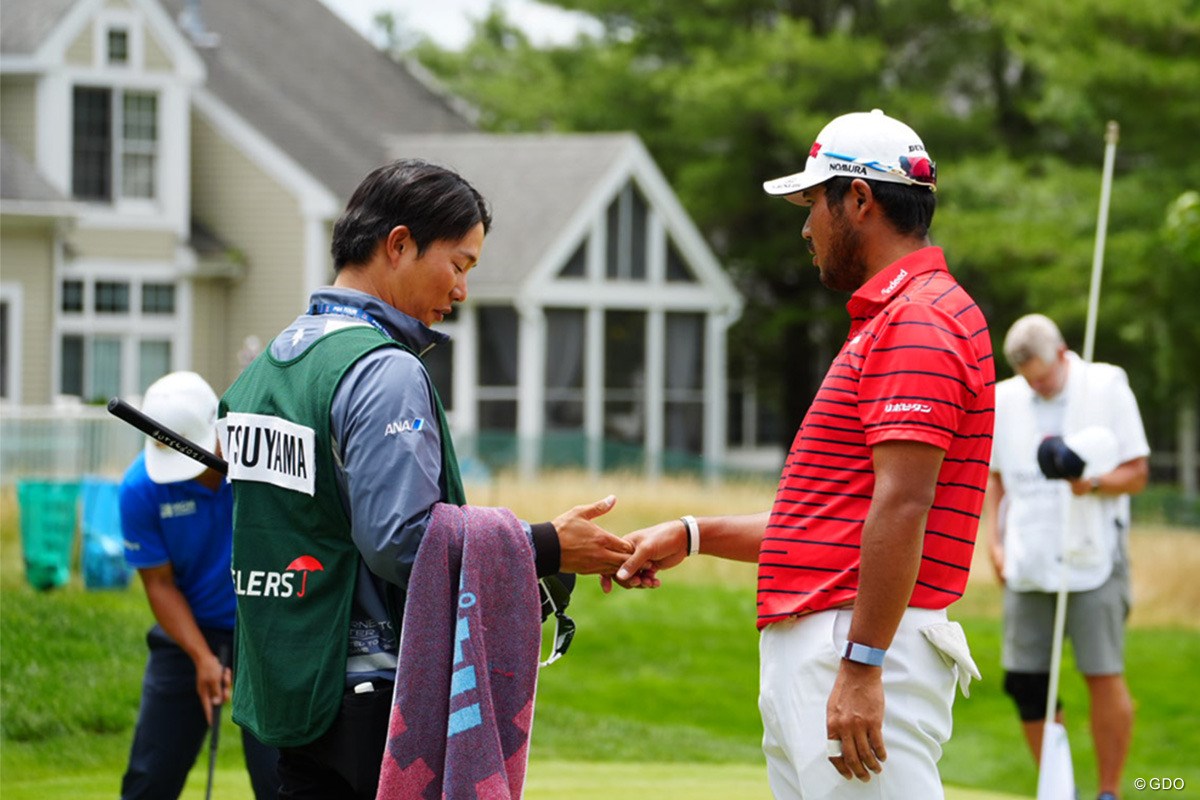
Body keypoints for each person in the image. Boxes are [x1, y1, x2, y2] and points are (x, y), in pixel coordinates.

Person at [605, 109, 995, 799]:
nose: (806, 226)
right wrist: (693, 534)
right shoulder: (897, 317)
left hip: (859, 645)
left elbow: (904, 503)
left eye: (814, 202)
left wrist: (862, 665)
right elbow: (832, 519)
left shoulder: (919, 322)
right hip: (842, 643)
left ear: (860, 201)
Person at [218, 158, 633, 799]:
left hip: (287, 687)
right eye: (460, 265)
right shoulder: (383, 369)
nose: (462, 291)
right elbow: (401, 541)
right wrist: (544, 545)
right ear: (400, 244)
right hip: (371, 695)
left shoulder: (266, 368)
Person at [984, 313, 1149, 800]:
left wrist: (1092, 484)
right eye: (1028, 380)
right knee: (1026, 682)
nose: (1037, 386)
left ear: (1062, 354)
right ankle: (1061, 790)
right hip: (1028, 559)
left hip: (1094, 553)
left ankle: (1110, 791)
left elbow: (1137, 473)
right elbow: (996, 479)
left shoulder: (1106, 385)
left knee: (1101, 670)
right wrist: (995, 542)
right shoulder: (1005, 399)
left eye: (1044, 377)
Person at [118, 370, 280, 799]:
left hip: (268, 631)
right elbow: (159, 583)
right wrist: (201, 656)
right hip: (189, 629)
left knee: (282, 779)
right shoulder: (140, 488)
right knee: (150, 777)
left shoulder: (265, 468)